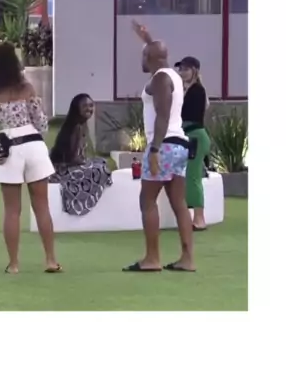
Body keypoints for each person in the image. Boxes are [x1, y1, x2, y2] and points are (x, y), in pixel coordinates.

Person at [0, 41, 61, 275]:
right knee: (42, 207)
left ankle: (13, 264)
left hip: (8, 147)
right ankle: (51, 260)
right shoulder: (26, 88)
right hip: (33, 144)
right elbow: (41, 123)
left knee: (12, 210)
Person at [122, 22, 195, 272]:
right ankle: (187, 258)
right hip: (179, 145)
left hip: (163, 145)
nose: (141, 59)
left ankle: (152, 258)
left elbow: (162, 114)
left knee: (148, 200)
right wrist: (147, 39)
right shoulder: (172, 75)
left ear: (151, 58)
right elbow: (157, 52)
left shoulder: (160, 79)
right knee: (179, 203)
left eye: (144, 55)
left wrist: (153, 150)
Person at [49, 94, 112, 216]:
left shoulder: (80, 125)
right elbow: (72, 158)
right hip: (64, 171)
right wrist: (86, 162)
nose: (89, 109)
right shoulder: (76, 127)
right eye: (84, 106)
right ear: (76, 108)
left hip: (67, 166)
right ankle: (80, 203)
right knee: (101, 168)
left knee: (101, 162)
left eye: (91, 105)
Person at [176, 56, 211, 231]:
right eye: (180, 69)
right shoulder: (189, 90)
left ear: (194, 71)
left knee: (193, 177)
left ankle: (199, 219)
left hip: (195, 136)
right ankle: (195, 217)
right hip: (192, 137)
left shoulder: (196, 90)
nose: (182, 72)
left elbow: (188, 116)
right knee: (190, 176)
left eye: (186, 69)